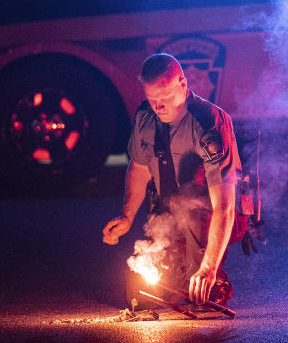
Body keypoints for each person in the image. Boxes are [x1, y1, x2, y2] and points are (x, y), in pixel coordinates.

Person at [102, 52, 242, 308]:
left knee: (200, 293)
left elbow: (225, 206)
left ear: (183, 83)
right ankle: (181, 272)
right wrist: (127, 216)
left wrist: (208, 268)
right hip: (165, 215)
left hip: (206, 213)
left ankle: (212, 279)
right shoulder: (146, 116)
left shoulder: (208, 124)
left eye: (165, 97)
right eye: (152, 98)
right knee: (141, 295)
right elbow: (140, 168)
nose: (159, 107)